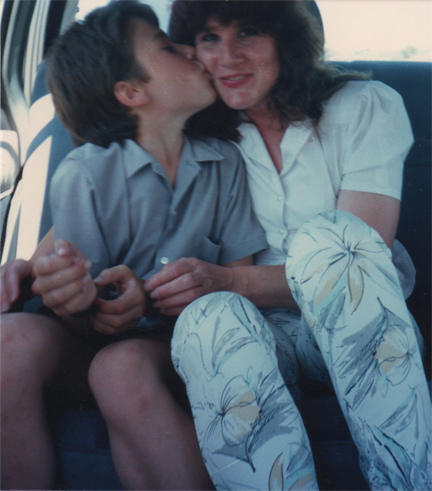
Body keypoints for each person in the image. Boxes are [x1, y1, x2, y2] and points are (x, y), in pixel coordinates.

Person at [136, 1, 431, 489]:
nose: (227, 56)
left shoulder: (365, 106)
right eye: (209, 38)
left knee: (330, 241)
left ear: (287, 39)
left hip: (360, 326)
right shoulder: (197, 133)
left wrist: (229, 279)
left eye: (247, 32)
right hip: (262, 340)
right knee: (206, 319)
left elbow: (360, 257)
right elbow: (109, 171)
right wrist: (43, 259)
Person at [0, 2, 268, 489]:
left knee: (120, 369)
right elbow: (80, 301)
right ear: (131, 91)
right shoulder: (84, 173)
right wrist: (80, 299)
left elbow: (236, 285)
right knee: (8, 345)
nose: (193, 51)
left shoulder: (225, 163)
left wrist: (154, 299)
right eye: (168, 47)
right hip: (89, 344)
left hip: (178, 345)